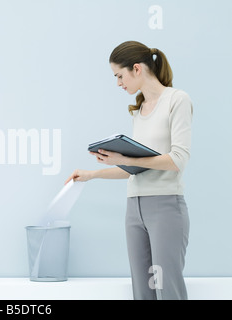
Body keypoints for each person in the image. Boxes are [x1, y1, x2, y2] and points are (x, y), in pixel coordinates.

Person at [65, 41, 193, 300]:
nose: (118, 83)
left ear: (136, 69)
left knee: (168, 290)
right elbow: (136, 168)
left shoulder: (177, 100)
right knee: (142, 291)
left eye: (119, 76)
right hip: (134, 208)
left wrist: (124, 157)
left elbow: (177, 159)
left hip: (165, 206)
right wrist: (93, 174)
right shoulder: (139, 110)